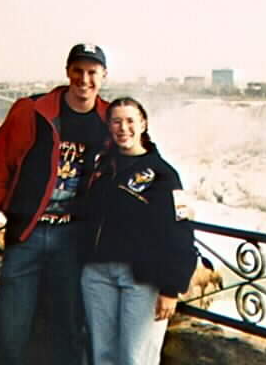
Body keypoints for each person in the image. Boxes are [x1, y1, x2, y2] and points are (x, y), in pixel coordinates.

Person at [0, 43, 110, 365]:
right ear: (67, 72)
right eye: (78, 70)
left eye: (92, 72)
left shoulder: (110, 120)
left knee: (70, 326)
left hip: (74, 240)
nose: (84, 79)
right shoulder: (32, 111)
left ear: (103, 76)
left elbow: (136, 163)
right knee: (10, 326)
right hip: (27, 233)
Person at [80, 97, 197, 365]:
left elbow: (180, 232)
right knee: (102, 355)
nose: (124, 128)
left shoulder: (164, 175)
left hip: (141, 280)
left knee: (136, 358)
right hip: (97, 275)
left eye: (130, 121)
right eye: (116, 121)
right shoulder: (102, 167)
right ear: (109, 126)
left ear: (143, 123)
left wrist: (172, 288)